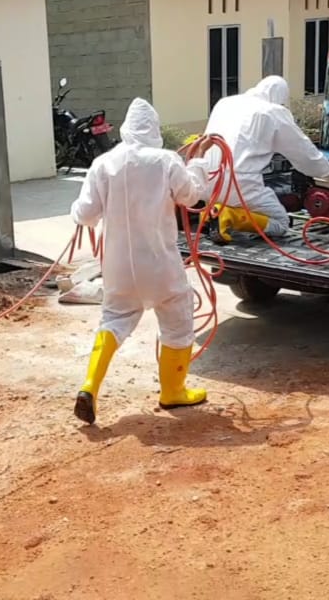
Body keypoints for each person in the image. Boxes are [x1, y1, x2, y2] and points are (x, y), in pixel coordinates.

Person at [70, 97, 214, 425]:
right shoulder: (165, 161)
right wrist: (199, 165)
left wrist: (76, 211)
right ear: (155, 130)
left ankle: (90, 386)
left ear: (124, 130)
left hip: (119, 268)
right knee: (178, 320)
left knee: (113, 320)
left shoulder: (104, 163)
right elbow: (192, 196)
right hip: (160, 263)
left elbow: (85, 214)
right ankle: (173, 391)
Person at [202, 75, 329, 242]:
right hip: (241, 186)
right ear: (279, 97)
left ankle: (209, 214)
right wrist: (326, 169)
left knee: (250, 203)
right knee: (281, 223)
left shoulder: (225, 103)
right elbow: (301, 150)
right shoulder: (272, 112)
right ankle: (231, 216)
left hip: (207, 182)